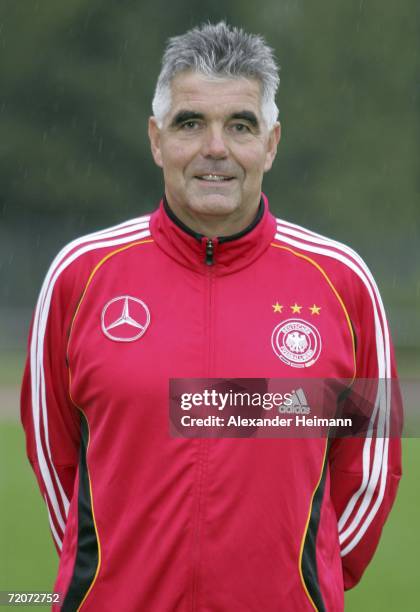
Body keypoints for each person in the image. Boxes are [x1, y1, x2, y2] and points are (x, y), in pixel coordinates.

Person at [21, 21, 402, 612]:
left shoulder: (341, 281)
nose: (215, 148)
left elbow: (369, 470)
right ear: (156, 139)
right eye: (190, 123)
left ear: (271, 144)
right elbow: (53, 456)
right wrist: (112, 575)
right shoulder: (82, 274)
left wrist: (303, 579)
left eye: (241, 125)